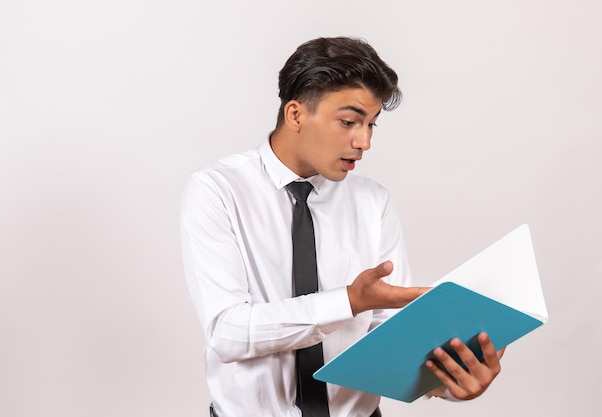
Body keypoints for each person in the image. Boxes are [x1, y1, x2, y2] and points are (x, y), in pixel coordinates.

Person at [180, 36, 503, 417]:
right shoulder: (217, 190)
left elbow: (391, 338)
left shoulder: (373, 202)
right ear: (296, 115)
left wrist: (450, 381)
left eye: (371, 125)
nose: (363, 141)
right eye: (349, 122)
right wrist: (348, 302)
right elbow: (228, 333)